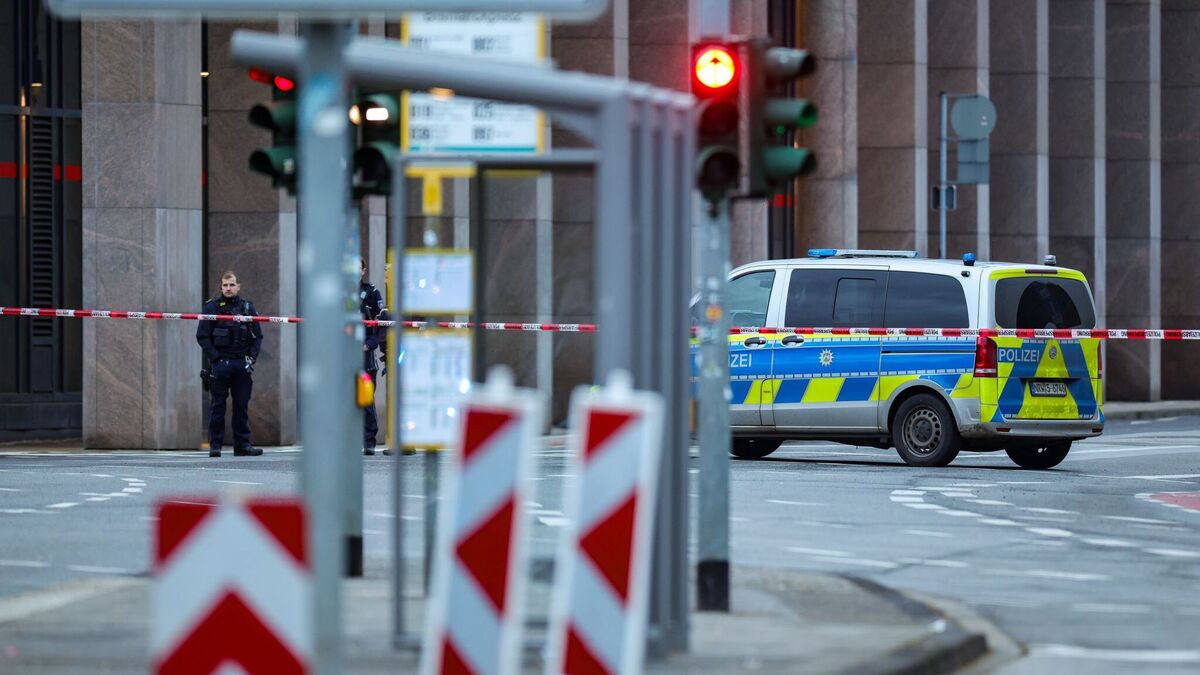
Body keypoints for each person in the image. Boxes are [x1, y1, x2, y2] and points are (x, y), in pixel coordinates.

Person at [196, 271, 263, 458]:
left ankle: (242, 446)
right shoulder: (211, 308)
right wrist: (215, 358)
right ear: (221, 287)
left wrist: (251, 358)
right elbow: (202, 336)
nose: (228, 288)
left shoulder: (248, 308)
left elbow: (257, 336)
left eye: (232, 285)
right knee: (218, 405)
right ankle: (215, 446)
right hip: (221, 363)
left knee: (241, 405)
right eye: (225, 285)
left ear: (238, 286)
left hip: (242, 363)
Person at [359, 257, 392, 456]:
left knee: (366, 399)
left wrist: (368, 345)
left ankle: (368, 441)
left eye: (357, 268)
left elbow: (380, 324)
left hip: (365, 356)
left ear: (363, 270)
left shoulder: (372, 293)